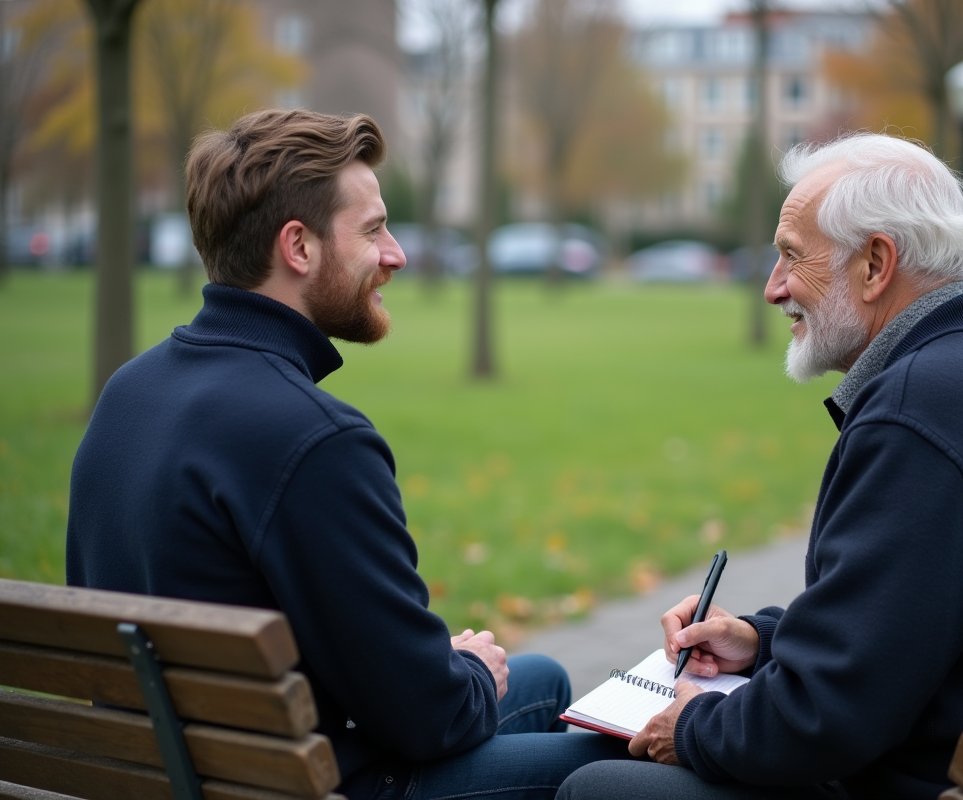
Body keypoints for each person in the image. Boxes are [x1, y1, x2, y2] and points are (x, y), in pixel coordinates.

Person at [558, 133, 963, 800]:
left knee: (598, 786)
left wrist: (693, 725)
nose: (771, 287)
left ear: (875, 264)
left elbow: (820, 721)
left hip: (934, 785)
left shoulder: (920, 410)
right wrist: (762, 640)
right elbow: (908, 623)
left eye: (790, 257)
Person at [66, 108, 626, 800]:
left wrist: (446, 670)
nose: (395, 254)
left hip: (157, 770)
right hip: (295, 785)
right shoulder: (314, 440)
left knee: (537, 679)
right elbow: (429, 721)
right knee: (606, 771)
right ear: (298, 248)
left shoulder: (129, 392)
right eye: (373, 230)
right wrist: (469, 675)